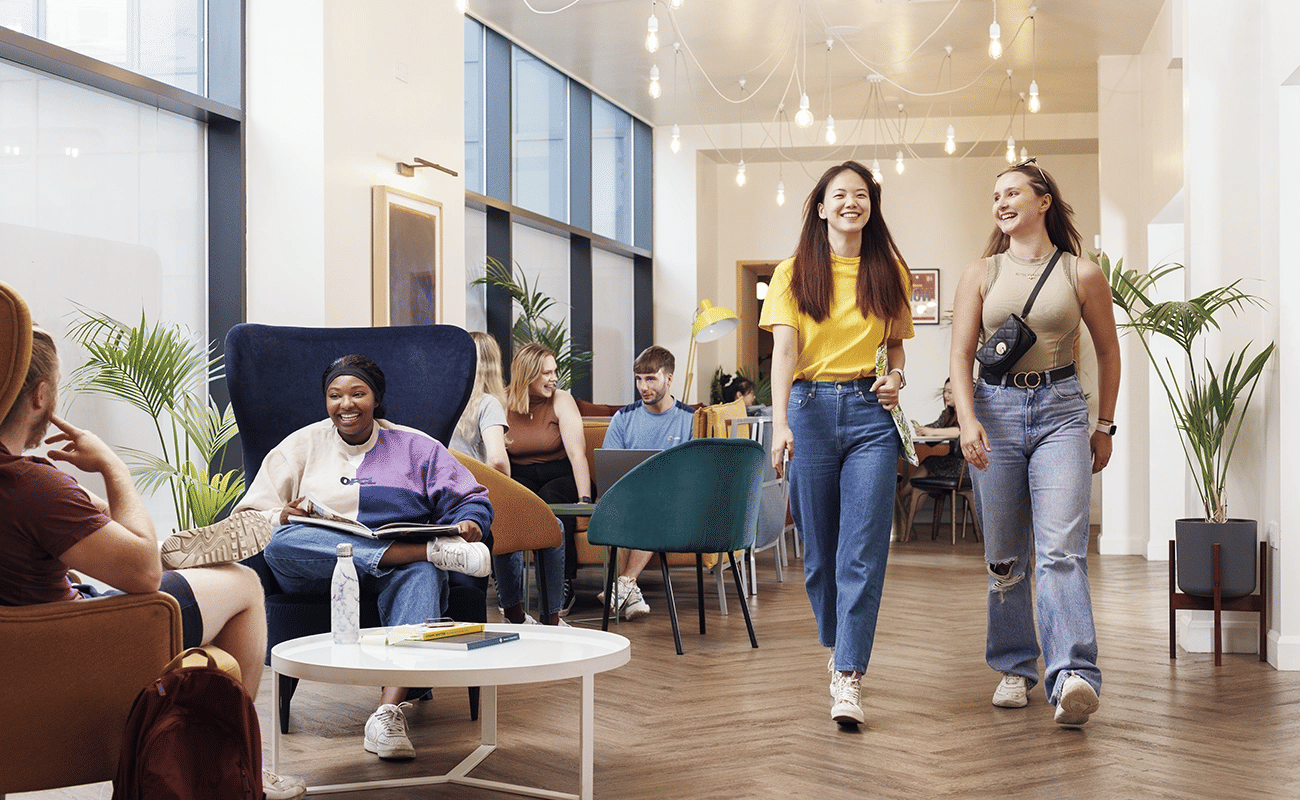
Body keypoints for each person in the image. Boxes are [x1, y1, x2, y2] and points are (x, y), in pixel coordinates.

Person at [0, 325, 305, 800]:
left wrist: (90, 512)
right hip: (78, 648)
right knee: (243, 583)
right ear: (40, 396)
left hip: (20, 656)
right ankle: (231, 769)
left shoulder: (31, 488)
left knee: (137, 547)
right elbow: (142, 573)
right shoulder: (30, 484)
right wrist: (111, 465)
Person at [234, 354, 494, 760]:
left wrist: (470, 523)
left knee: (423, 573)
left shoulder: (416, 446)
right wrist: (282, 513)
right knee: (282, 542)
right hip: (317, 567)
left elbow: (471, 496)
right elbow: (249, 517)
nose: (346, 404)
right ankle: (425, 551)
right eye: (335, 395)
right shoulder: (300, 445)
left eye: (358, 393)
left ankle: (387, 714)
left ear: (376, 399)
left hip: (398, 572)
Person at [948, 157, 1120, 728]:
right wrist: (967, 420)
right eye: (995, 195)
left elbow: (1109, 352)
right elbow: (959, 356)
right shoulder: (981, 273)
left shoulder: (1082, 273)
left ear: (1043, 201)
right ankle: (1014, 667)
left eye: (1012, 191)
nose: (1000, 202)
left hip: (1062, 412)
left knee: (1062, 549)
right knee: (1004, 555)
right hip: (993, 413)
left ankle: (1072, 674)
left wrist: (1105, 425)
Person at [761, 160, 914, 727]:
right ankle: (837, 643)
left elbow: (895, 349)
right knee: (819, 556)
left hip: (873, 417)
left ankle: (848, 674)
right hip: (809, 410)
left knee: (863, 550)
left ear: (871, 206)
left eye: (861, 195)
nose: (851, 202)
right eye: (839, 195)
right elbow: (782, 353)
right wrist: (779, 423)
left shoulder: (889, 271)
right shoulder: (793, 273)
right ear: (821, 207)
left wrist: (896, 378)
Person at [451, 332, 565, 626]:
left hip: (446, 503)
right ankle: (551, 618)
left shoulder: (445, 402)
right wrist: (506, 493)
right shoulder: (487, 403)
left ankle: (514, 612)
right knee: (555, 527)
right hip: (474, 502)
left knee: (506, 529)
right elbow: (498, 459)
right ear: (492, 364)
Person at [597, 345, 695, 619]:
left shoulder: (689, 420)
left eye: (651, 378)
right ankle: (630, 592)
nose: (643, 386)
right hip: (629, 499)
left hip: (673, 505)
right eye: (639, 379)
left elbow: (692, 476)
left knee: (653, 501)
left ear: (669, 379)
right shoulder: (624, 418)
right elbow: (609, 469)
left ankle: (624, 584)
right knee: (621, 507)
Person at [503, 343, 592, 616]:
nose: (554, 378)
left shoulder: (561, 399)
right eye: (546, 373)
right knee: (514, 505)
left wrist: (584, 500)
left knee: (552, 501)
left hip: (560, 473)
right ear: (527, 374)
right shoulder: (501, 401)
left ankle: (561, 584)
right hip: (519, 475)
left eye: (555, 372)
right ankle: (510, 589)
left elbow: (577, 453)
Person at [909, 378, 963, 482]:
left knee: (929, 464)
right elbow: (934, 427)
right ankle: (902, 497)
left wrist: (932, 432)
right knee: (928, 463)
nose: (946, 396)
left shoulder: (967, 414)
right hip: (951, 460)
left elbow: (960, 431)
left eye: (950, 392)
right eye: (944, 392)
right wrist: (922, 430)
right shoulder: (947, 414)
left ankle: (901, 496)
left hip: (965, 465)